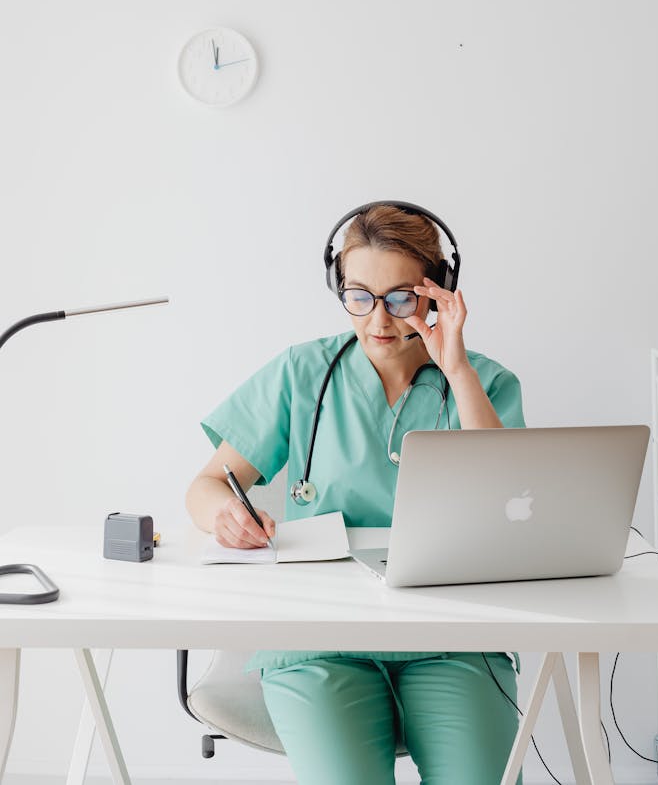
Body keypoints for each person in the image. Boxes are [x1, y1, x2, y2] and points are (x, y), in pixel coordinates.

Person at [186, 202, 524, 785]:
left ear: (438, 291)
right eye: (359, 296)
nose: (379, 319)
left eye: (400, 298)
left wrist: (458, 370)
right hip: (319, 637)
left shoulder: (485, 380)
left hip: (456, 637)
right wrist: (226, 518)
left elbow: (508, 506)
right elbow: (208, 486)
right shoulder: (301, 372)